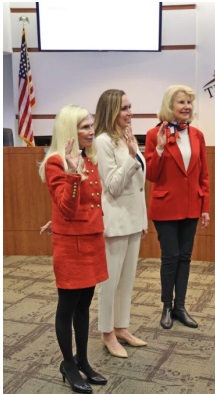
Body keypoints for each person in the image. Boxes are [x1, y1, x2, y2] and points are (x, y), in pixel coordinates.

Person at [38, 105, 108, 393]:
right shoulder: (57, 162)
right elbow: (67, 207)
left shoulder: (87, 158)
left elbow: (89, 203)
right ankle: (68, 363)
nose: (91, 131)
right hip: (71, 244)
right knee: (67, 307)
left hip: (91, 238)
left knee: (84, 305)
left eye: (91, 126)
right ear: (70, 130)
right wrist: (73, 174)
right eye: (84, 127)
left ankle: (83, 360)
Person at [144, 85, 210, 330]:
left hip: (192, 205)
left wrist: (205, 206)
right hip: (165, 206)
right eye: (181, 102)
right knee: (170, 258)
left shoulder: (197, 135)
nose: (186, 107)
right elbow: (151, 174)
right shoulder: (154, 134)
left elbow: (204, 173)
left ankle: (181, 307)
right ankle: (166, 307)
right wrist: (160, 148)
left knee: (185, 257)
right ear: (169, 106)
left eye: (189, 103)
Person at [94, 89, 148, 358]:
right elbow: (113, 187)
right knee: (110, 282)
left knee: (126, 281)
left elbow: (139, 187)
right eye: (124, 108)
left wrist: (143, 218)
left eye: (130, 106)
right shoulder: (102, 141)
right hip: (115, 222)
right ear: (112, 111)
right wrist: (130, 155)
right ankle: (106, 333)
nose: (130, 112)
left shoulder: (128, 138)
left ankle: (121, 327)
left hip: (133, 220)